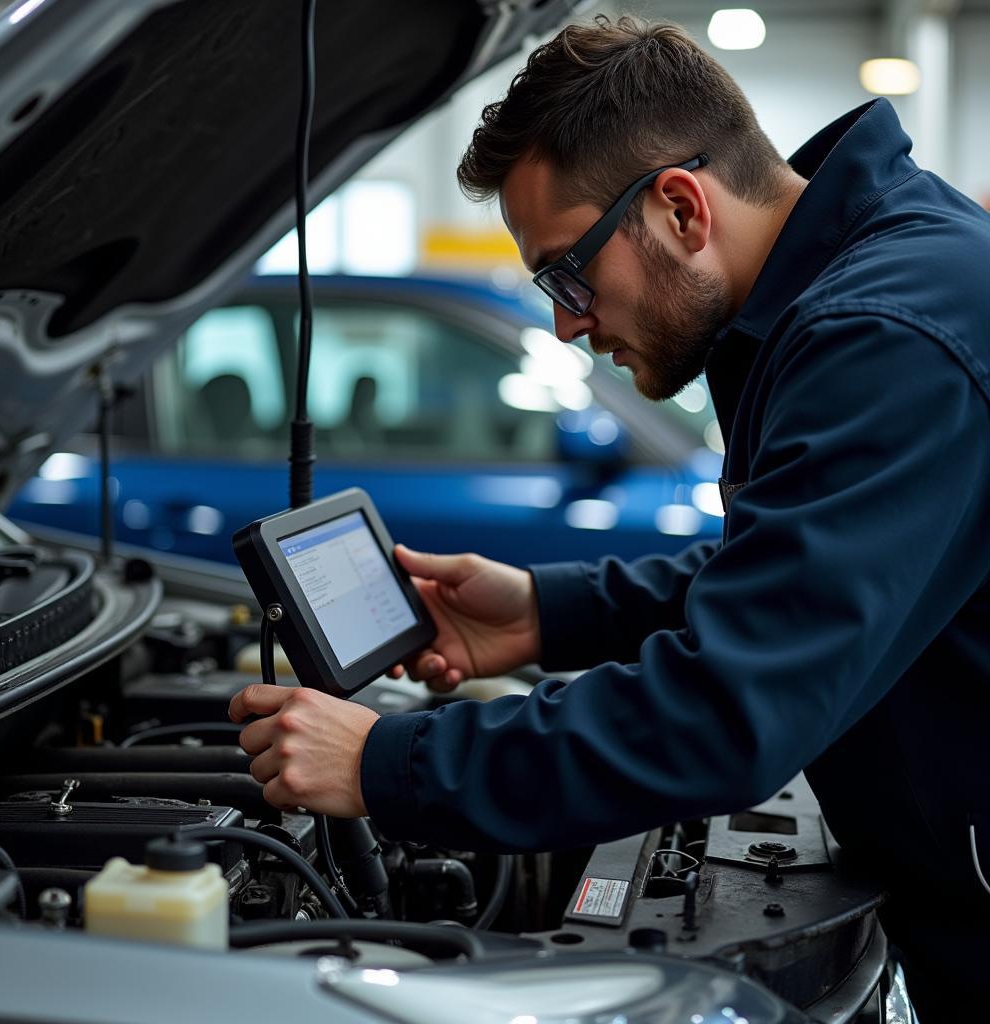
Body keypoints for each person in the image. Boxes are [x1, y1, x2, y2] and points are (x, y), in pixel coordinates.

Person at [229, 17, 990, 1019]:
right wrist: (551, 611)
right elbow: (807, 574)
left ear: (679, 205)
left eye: (566, 271)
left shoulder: (884, 336)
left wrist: (387, 762)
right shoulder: (849, 288)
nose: (565, 322)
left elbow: (728, 713)